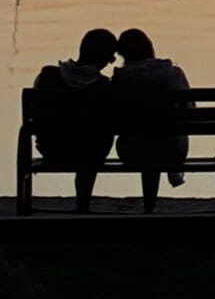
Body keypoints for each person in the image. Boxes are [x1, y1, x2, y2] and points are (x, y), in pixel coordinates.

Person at [31, 28, 118, 213]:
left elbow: (34, 115)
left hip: (52, 149)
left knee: (91, 139)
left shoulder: (48, 76)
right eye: (111, 57)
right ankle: (82, 203)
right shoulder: (103, 87)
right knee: (94, 141)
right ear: (102, 57)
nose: (111, 62)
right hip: (89, 154)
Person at [112, 28, 193, 213]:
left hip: (131, 151)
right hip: (171, 151)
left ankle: (149, 205)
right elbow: (190, 111)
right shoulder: (173, 74)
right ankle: (150, 205)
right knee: (157, 139)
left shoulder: (120, 79)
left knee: (146, 140)